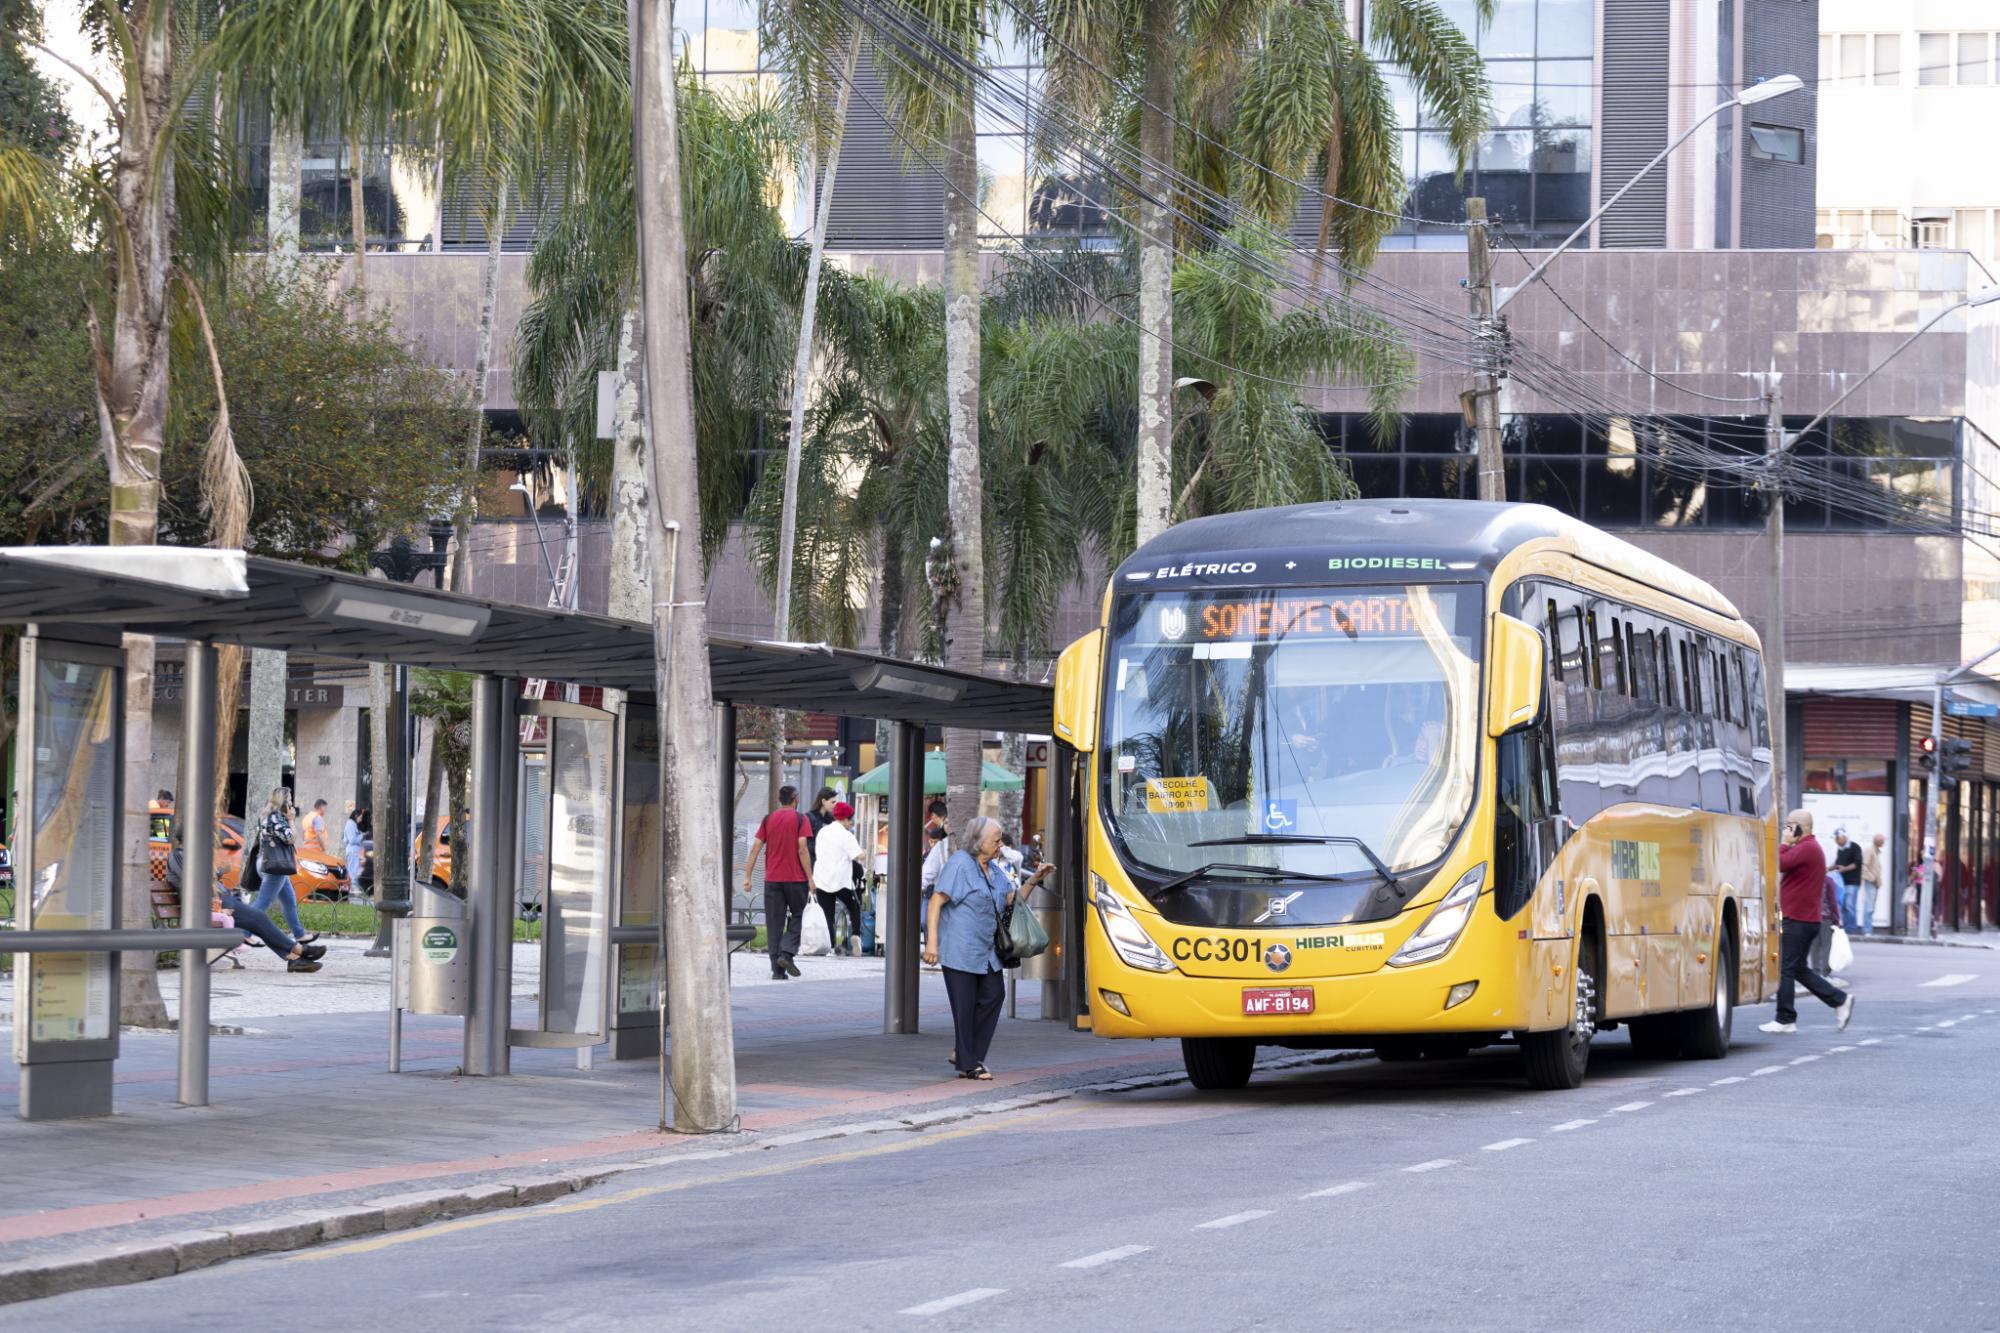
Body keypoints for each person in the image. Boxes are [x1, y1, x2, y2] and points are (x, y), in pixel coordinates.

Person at [925, 817, 1028, 1081]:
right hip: (960, 949)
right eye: (995, 840)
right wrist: (932, 943)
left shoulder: (995, 869)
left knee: (995, 995)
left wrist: (1036, 879)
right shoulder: (960, 864)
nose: (999, 844)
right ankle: (969, 1064)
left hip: (987, 951)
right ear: (978, 841)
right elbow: (937, 901)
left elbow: (1012, 901)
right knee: (965, 1007)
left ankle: (965, 1052)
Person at [167, 829, 325, 973]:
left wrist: (218, 871)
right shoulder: (178, 855)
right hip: (212, 904)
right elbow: (193, 880)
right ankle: (298, 952)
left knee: (258, 919)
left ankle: (295, 957)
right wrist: (215, 905)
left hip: (221, 899)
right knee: (258, 918)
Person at [1761, 809, 1853, 1035]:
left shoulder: (1807, 848)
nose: (1785, 829)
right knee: (1798, 968)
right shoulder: (1807, 848)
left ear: (1799, 827)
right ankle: (1840, 1000)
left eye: (1789, 825)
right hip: (1802, 918)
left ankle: (1785, 1019)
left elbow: (1780, 863)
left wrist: (1783, 843)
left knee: (1786, 968)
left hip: (1799, 919)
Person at [743, 784, 812, 980]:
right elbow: (802, 849)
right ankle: (787, 953)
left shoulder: (768, 819)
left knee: (774, 923)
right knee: (798, 916)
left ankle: (777, 971)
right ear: (795, 798)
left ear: (780, 800)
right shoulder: (801, 819)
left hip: (772, 880)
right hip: (796, 879)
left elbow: (755, 848)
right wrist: (810, 877)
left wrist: (747, 877)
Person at [251, 787, 315, 946]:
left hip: (269, 862)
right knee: (264, 902)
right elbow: (291, 838)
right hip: (275, 865)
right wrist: (292, 819)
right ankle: (243, 933)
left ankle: (299, 934)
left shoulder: (267, 815)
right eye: (290, 800)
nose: (292, 803)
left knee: (289, 900)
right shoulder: (275, 817)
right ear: (283, 801)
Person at [812, 801, 866, 955]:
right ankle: (856, 934)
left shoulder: (823, 832)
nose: (851, 824)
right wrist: (865, 851)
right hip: (841, 880)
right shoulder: (846, 835)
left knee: (827, 914)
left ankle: (829, 945)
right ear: (846, 819)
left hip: (821, 879)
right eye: (851, 820)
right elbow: (858, 856)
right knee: (854, 907)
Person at [1812, 864, 1842, 976]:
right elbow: (1832, 902)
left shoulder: (1810, 881)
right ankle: (1824, 971)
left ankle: (1815, 969)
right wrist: (1836, 919)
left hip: (1812, 917)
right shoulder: (1828, 881)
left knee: (1814, 945)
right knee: (1826, 944)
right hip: (1826, 918)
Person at [1832, 828, 1862, 930]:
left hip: (1852, 882)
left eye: (1837, 839)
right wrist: (1826, 869)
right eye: (1835, 839)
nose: (1836, 841)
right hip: (1842, 882)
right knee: (1844, 905)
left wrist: (1845, 869)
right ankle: (1846, 927)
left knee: (1850, 905)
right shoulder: (1840, 850)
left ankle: (1852, 928)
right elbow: (1837, 864)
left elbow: (1857, 863)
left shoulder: (1855, 847)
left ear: (1844, 837)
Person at [1859, 832, 1885, 936]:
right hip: (1871, 882)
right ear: (1877, 841)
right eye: (1882, 841)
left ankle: (1868, 929)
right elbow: (1863, 866)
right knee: (1868, 907)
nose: (1883, 843)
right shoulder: (1869, 851)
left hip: (1874, 883)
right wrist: (1872, 878)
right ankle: (1867, 930)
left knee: (1871, 907)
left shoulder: (1876, 852)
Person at [343, 806, 370, 890]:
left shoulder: (352, 824)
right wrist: (362, 835)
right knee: (352, 871)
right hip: (352, 851)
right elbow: (352, 840)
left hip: (353, 851)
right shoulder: (350, 824)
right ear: (355, 816)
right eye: (360, 817)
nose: (361, 820)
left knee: (353, 870)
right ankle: (351, 889)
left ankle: (350, 888)